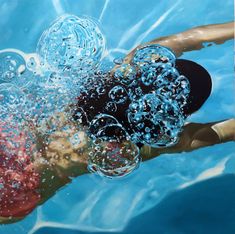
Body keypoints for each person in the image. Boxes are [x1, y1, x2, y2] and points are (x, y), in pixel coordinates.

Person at [0, 21, 234, 224]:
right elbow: (215, 134)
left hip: (13, 141)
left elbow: (188, 38)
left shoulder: (117, 75)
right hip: (26, 189)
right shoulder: (136, 146)